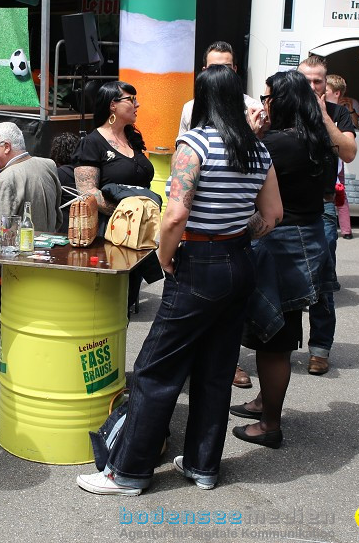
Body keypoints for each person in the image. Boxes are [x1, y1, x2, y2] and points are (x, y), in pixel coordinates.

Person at [76, 65, 281, 496]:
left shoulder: (196, 142)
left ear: (202, 100)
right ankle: (203, 465)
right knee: (216, 368)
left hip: (199, 261)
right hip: (240, 260)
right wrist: (240, 230)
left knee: (155, 370)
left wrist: (166, 256)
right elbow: (273, 215)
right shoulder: (256, 149)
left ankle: (127, 472)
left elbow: (176, 213)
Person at [231, 70, 335, 452]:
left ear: (283, 102)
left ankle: (270, 424)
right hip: (307, 238)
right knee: (274, 332)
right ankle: (264, 403)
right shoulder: (316, 140)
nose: (263, 103)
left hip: (279, 243)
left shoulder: (276, 143)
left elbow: (238, 172)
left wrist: (251, 136)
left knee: (274, 337)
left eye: (268, 97)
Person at [295, 56, 357, 376]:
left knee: (321, 278)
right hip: (287, 207)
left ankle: (320, 349)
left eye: (318, 81)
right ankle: (283, 345)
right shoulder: (283, 113)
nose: (312, 86)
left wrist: (323, 116)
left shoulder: (338, 113)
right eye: (306, 80)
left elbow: (348, 151)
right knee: (284, 278)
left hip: (323, 206)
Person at [74, 82, 156, 312]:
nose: (137, 104)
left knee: (127, 300)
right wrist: (127, 213)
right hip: (110, 234)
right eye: (131, 99)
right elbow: (87, 192)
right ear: (113, 105)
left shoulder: (132, 139)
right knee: (107, 304)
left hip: (137, 233)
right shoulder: (92, 143)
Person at [0, 121, 62, 233]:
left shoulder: (6, 178)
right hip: (49, 246)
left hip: (22, 248)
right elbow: (58, 218)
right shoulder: (48, 165)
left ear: (7, 147)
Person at [177, 41, 263, 138]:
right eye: (213, 68)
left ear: (235, 70)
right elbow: (181, 147)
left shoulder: (253, 108)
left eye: (226, 68)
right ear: (204, 71)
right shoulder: (190, 108)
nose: (220, 73)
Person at [325, 75, 356, 239]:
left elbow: (353, 129)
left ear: (336, 93)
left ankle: (346, 229)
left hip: (337, 160)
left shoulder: (342, 112)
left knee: (339, 190)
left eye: (326, 89)